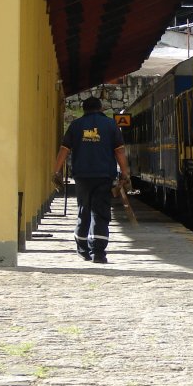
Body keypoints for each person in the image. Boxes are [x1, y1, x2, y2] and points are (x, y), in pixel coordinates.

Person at [53, 96, 130, 263]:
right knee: (100, 212)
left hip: (82, 177)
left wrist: (56, 172)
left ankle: (82, 249)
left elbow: (64, 150)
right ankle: (98, 253)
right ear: (101, 108)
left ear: (84, 109)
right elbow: (119, 152)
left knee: (84, 210)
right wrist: (125, 173)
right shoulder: (111, 125)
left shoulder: (75, 125)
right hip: (104, 176)